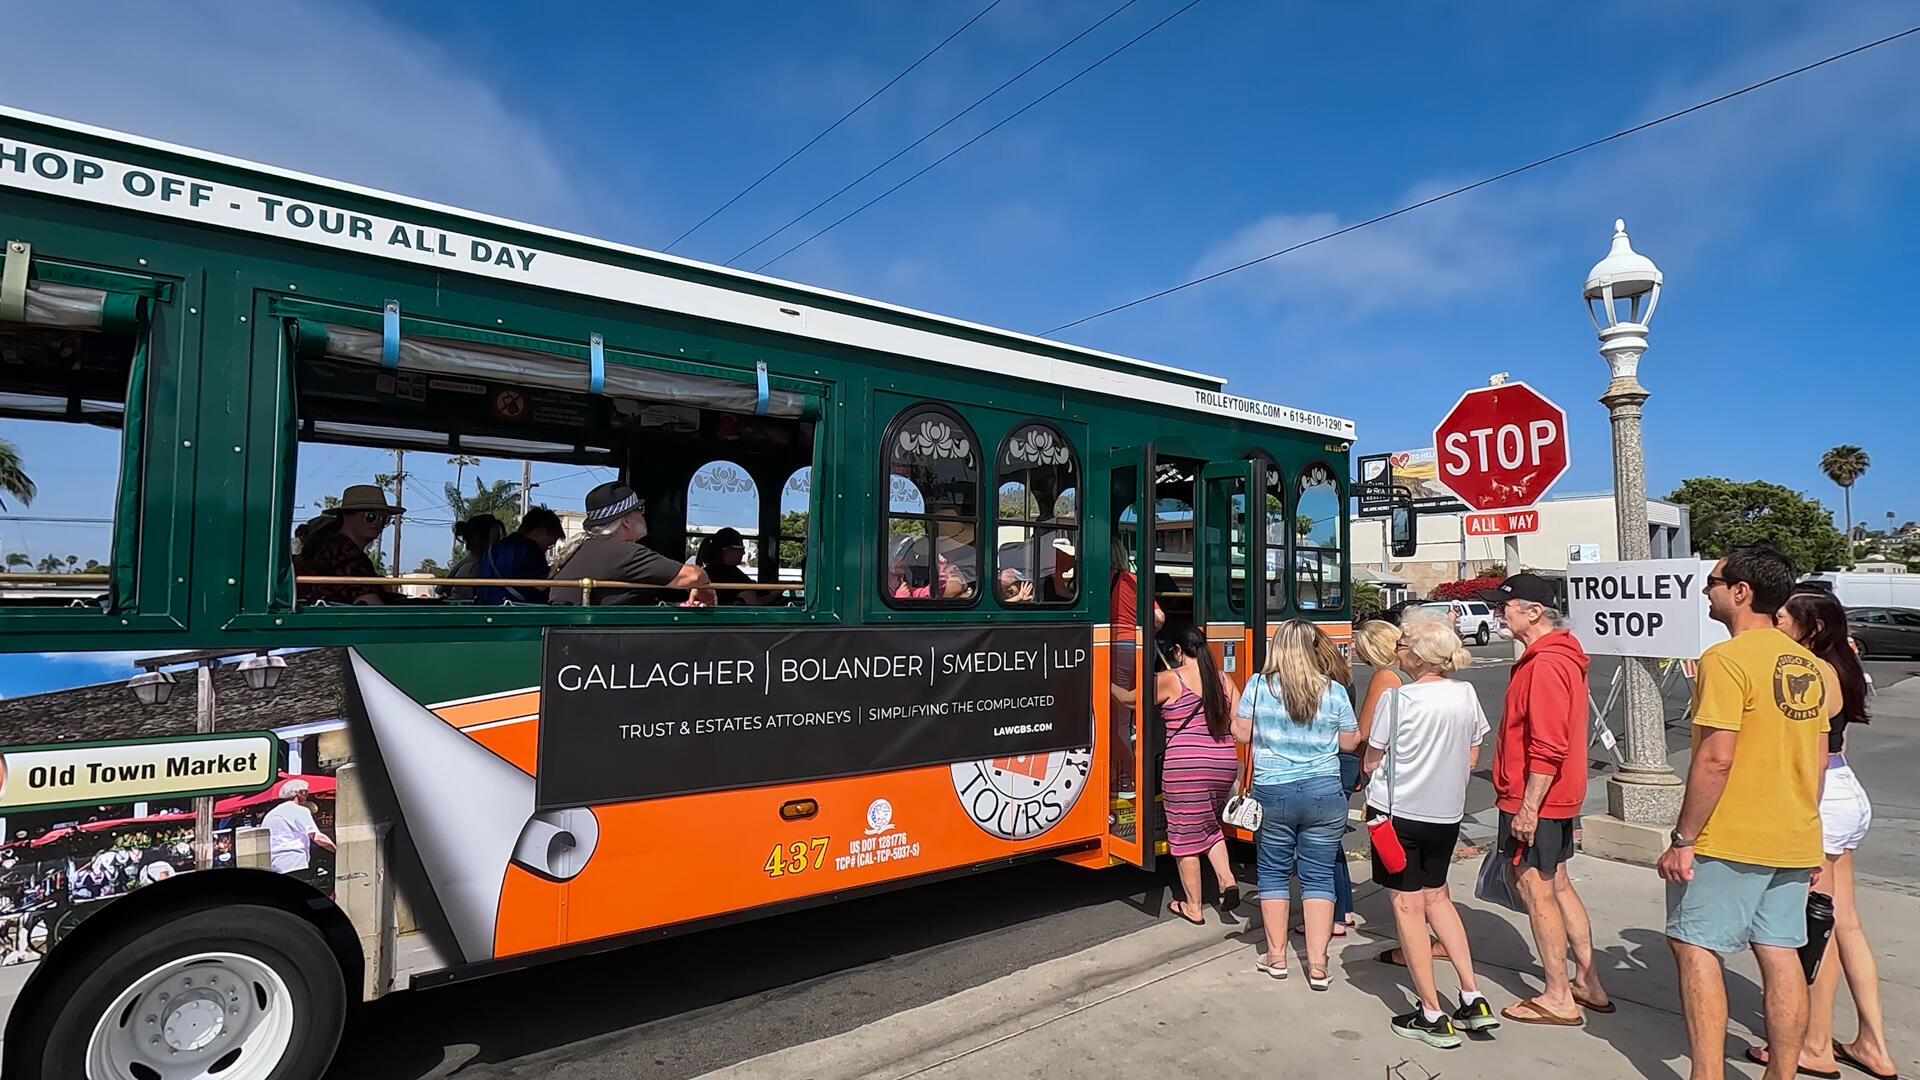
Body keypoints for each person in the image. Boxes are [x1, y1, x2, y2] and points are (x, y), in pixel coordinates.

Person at [1659, 544, 1827, 1080]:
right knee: (1780, 952)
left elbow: (1715, 756)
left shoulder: (1725, 659)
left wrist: (1684, 838)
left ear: (1741, 592)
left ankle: (1706, 1074)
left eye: (1712, 582)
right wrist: (1809, 832)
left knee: (1694, 946)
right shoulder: (1812, 665)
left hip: (1732, 834)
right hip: (1793, 832)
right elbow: (1818, 759)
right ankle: (1782, 1073)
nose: (1706, 591)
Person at [1749, 588, 1898, 1080]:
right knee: (1846, 922)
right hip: (1845, 789)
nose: (1777, 623)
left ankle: (1815, 1044)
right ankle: (1871, 1041)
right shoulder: (1845, 664)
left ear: (1810, 627)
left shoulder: (1813, 672)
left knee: (1820, 926)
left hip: (1822, 798)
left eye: (1784, 618)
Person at [1476, 572, 1613, 1025]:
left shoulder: (1547, 663)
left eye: (1505, 607)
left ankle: (1558, 995)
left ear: (1534, 612)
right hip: (1555, 794)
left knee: (1536, 888)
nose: (1499, 614)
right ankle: (1586, 982)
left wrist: (1528, 807)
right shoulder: (1555, 657)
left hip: (1536, 797)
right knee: (1556, 883)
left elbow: (1548, 744)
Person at [1364, 612, 1498, 1047]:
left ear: (1419, 657)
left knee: (1407, 909)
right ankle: (1471, 994)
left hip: (1399, 815)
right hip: (1446, 814)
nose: (1399, 650)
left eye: (1404, 645)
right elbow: (1474, 750)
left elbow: (1372, 757)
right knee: (1438, 899)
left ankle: (1431, 1011)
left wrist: (1373, 779)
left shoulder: (1397, 700)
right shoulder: (1465, 693)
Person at [1233, 619, 1360, 991]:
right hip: (1324, 791)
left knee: (1272, 873)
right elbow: (1350, 742)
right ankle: (1318, 966)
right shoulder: (1334, 690)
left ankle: (1276, 958)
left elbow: (1240, 733)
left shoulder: (1258, 686)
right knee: (1318, 876)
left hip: (1273, 791)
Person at [1156, 624, 1244, 924]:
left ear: (1179, 651)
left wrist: (1108, 685)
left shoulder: (1170, 679)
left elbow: (1132, 700)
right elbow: (1240, 724)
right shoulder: (1222, 679)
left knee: (1184, 836)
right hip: (1223, 762)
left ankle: (1192, 907)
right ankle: (1227, 880)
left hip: (1186, 767)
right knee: (1209, 826)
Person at [1335, 617, 1409, 943]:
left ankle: (1408, 939)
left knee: (1396, 864)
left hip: (1389, 778)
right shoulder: (1413, 675)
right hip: (1418, 774)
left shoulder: (1384, 676)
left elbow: (1361, 733)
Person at [548, 482, 715, 606]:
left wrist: (674, 606)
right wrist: (704, 587)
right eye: (640, 510)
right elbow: (693, 576)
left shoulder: (584, 548)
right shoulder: (621, 552)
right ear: (626, 521)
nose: (643, 515)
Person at [1109, 539, 1165, 800]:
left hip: (1116, 647)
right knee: (1134, 713)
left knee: (1118, 718)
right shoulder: (1133, 579)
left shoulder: (1097, 581)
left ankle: (1125, 779)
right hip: (1142, 647)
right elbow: (1159, 618)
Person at [293, 485, 403, 605]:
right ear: (346, 516)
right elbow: (369, 603)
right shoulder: (343, 552)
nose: (378, 522)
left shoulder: (334, 546)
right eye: (370, 516)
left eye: (384, 518)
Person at [476, 507, 564, 604]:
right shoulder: (531, 548)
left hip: (485, 608)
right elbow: (542, 586)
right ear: (539, 531)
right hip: (516, 611)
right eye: (549, 545)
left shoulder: (493, 549)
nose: (547, 550)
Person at [261, 779, 335, 884]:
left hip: (275, 865)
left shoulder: (271, 814)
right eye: (305, 792)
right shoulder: (300, 810)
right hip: (295, 863)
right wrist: (337, 851)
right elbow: (317, 837)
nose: (307, 795)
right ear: (298, 793)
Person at [697, 527, 770, 606]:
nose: (744, 552)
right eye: (741, 548)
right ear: (728, 550)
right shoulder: (731, 574)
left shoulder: (707, 571)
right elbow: (756, 602)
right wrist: (778, 592)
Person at [441, 513, 505, 601]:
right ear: (478, 539)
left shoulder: (468, 563)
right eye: (497, 539)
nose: (502, 545)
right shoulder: (474, 568)